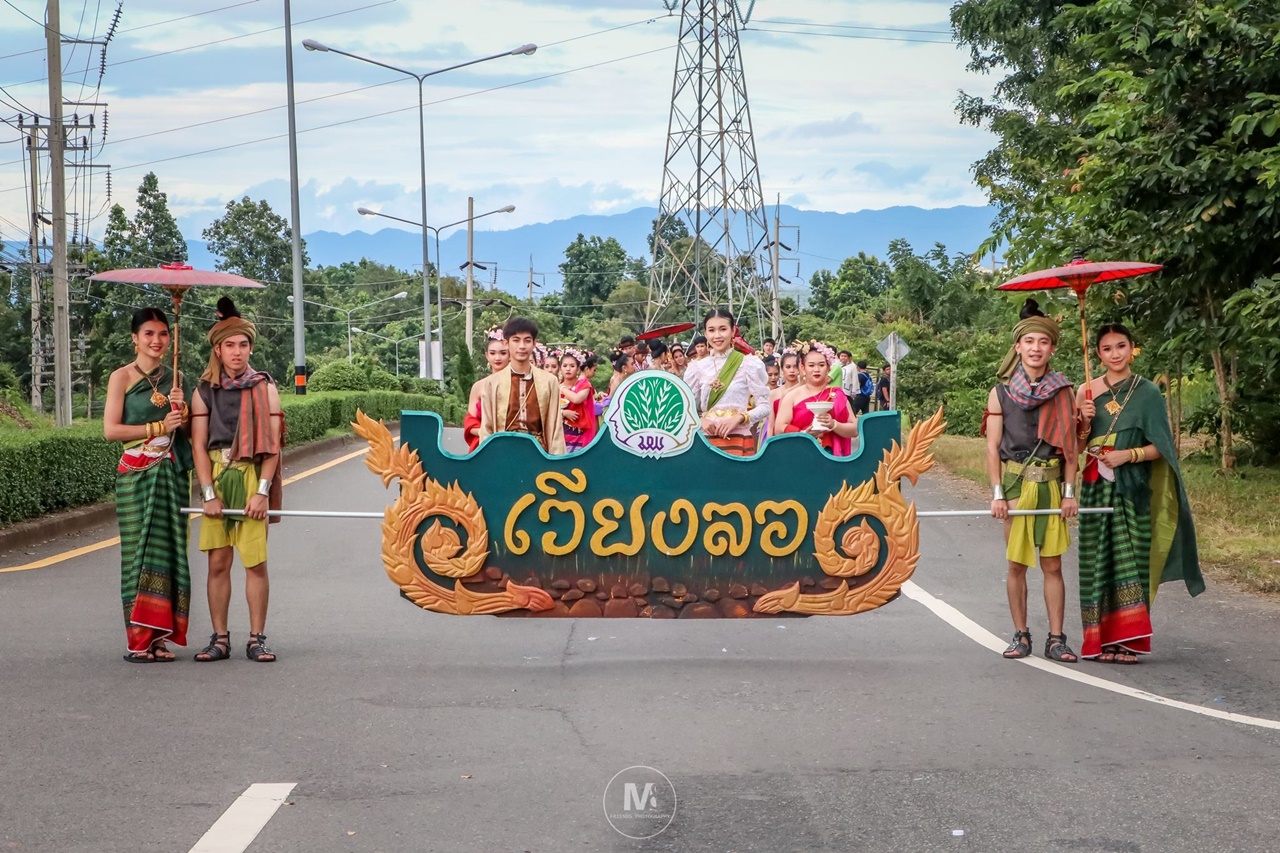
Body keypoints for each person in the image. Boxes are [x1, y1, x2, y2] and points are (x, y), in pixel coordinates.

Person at [1075, 323, 1203, 663]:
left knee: (1131, 560)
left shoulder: (1146, 392)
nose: (1115, 354)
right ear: (1098, 354)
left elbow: (1162, 447)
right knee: (1097, 561)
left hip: (1134, 489)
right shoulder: (1085, 392)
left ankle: (1129, 641)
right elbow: (1074, 448)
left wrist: (1126, 456)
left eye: (1121, 346)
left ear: (1134, 348)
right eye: (1107, 348)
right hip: (1095, 487)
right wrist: (1084, 423)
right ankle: (1099, 640)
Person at [982, 298, 1080, 663]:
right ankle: (1021, 634)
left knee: (1053, 565)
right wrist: (997, 494)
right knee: (1017, 564)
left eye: (1043, 342)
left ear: (1052, 347)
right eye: (1029, 342)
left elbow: (1071, 447)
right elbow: (992, 448)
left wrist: (1070, 493)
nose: (1036, 349)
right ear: (1018, 346)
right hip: (1014, 485)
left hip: (1052, 483)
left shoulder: (1064, 391)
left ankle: (1057, 639)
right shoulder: (1001, 392)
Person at [190, 297, 283, 663]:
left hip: (249, 476)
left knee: (255, 563)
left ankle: (257, 638)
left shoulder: (264, 388)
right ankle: (220, 638)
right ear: (218, 348)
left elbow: (272, 447)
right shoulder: (203, 391)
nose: (237, 352)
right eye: (230, 345)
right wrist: (208, 493)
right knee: (217, 563)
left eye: (243, 345)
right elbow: (198, 446)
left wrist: (262, 493)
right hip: (217, 474)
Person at [104, 307, 193, 663]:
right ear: (135, 338)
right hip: (136, 475)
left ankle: (160, 638)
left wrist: (181, 414)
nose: (157, 341)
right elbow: (111, 431)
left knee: (170, 552)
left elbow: (183, 433)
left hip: (170, 475)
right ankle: (138, 639)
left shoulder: (176, 378)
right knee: (137, 555)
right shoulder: (121, 377)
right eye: (149, 334)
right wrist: (159, 427)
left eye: (163, 334)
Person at [683, 307, 771, 456]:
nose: (717, 335)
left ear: (732, 331)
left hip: (739, 440)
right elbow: (685, 409)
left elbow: (765, 407)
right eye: (711, 330)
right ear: (705, 334)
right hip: (706, 441)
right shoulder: (696, 368)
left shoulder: (748, 364)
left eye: (723, 329)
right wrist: (700, 421)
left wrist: (739, 418)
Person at [476, 317, 566, 454]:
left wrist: (557, 463)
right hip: (503, 453)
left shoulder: (549, 381)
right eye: (516, 340)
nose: (522, 346)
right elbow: (486, 429)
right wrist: (488, 461)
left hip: (538, 454)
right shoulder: (492, 383)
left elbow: (556, 429)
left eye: (527, 340)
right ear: (506, 343)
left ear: (534, 343)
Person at [775, 341, 857, 457]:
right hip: (798, 455)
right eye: (811, 365)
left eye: (822, 365)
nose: (817, 369)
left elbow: (854, 429)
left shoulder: (837, 395)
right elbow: (779, 428)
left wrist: (834, 425)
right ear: (803, 368)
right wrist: (803, 434)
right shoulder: (792, 396)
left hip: (832, 458)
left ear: (828, 367)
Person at [463, 327, 509, 452]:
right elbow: (470, 420)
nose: (497, 358)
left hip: (511, 445)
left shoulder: (518, 384)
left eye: (503, 353)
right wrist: (484, 433)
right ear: (487, 355)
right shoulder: (478, 386)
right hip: (483, 446)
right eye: (493, 353)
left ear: (510, 355)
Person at [561, 349, 599, 452]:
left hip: (579, 435)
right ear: (560, 368)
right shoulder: (554, 385)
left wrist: (562, 389)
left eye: (572, 366)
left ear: (578, 369)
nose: (568, 369)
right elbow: (547, 409)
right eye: (564, 366)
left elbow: (577, 399)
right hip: (559, 434)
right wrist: (563, 413)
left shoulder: (584, 385)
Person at [767, 351, 802, 438]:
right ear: (782, 369)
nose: (792, 371)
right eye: (788, 367)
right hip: (779, 438)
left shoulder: (805, 391)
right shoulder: (773, 394)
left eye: (795, 367)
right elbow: (771, 425)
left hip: (801, 435)